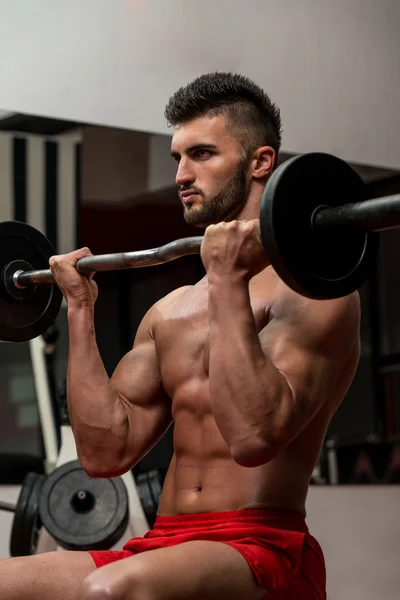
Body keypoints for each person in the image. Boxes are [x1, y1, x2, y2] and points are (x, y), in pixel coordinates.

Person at [0, 72, 360, 600]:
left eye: (203, 154)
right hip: (163, 544)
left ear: (261, 162)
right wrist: (79, 309)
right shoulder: (171, 311)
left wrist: (227, 278)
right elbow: (104, 455)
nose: (182, 174)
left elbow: (255, 438)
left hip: (261, 547)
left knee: (108, 591)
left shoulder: (315, 295)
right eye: (177, 157)